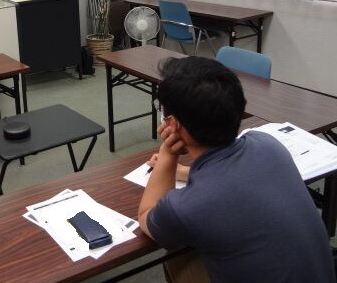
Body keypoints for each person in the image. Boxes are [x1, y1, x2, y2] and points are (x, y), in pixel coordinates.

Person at [138, 56, 335, 283]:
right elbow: (236, 182)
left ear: (172, 124)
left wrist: (168, 153)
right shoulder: (267, 144)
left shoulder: (185, 207)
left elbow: (146, 214)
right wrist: (183, 172)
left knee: (177, 258)